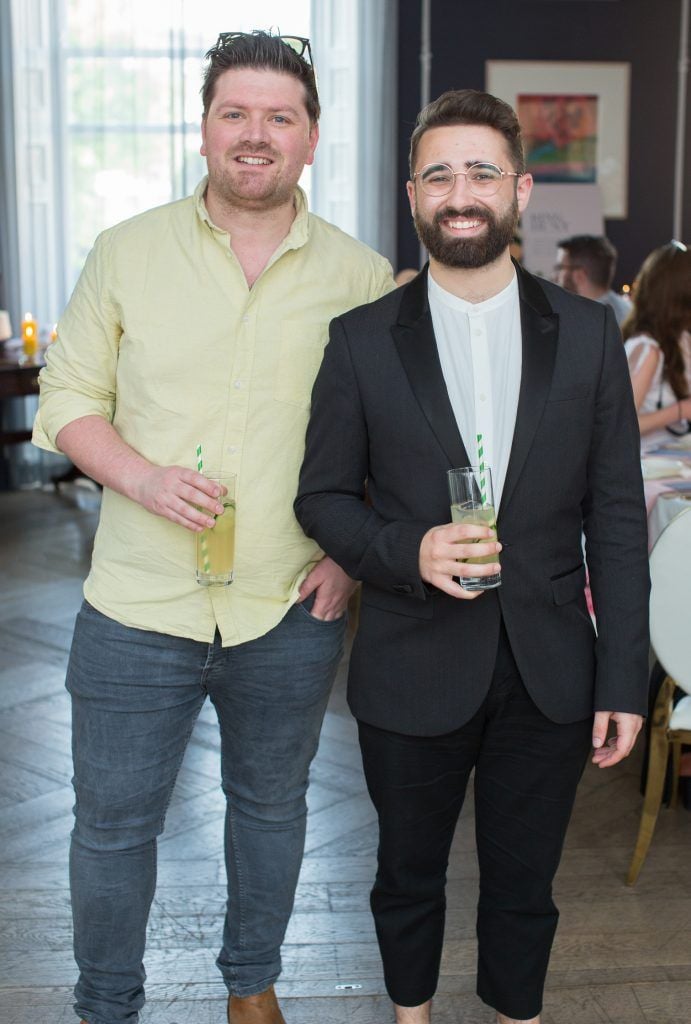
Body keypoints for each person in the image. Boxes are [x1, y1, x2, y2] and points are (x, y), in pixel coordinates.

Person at [32, 30, 393, 1024]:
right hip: (136, 599)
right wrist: (141, 477)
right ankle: (107, 1004)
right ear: (203, 128)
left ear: (311, 138)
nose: (255, 135)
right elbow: (62, 402)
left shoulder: (360, 279)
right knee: (110, 826)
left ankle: (251, 985)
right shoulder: (125, 252)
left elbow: (393, 444)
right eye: (235, 112)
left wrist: (348, 554)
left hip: (288, 601)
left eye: (280, 116)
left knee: (272, 809)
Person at [295, 89, 650, 1024]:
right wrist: (403, 547)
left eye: (482, 171)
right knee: (405, 875)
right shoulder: (361, 341)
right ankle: (408, 1014)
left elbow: (616, 517)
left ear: (521, 190)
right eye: (440, 173)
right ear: (412, 194)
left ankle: (513, 1013)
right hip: (410, 662)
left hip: (549, 671)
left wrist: (622, 680)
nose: (462, 191)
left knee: (525, 884)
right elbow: (321, 498)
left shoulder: (585, 335)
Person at [621, 240, 691, 451]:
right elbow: (622, 426)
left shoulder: (681, 338)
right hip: (648, 464)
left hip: (673, 460)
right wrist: (680, 411)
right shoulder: (647, 349)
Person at [554, 233, 631, 325]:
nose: (555, 276)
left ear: (579, 276)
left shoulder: (581, 323)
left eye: (560, 268)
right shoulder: (629, 313)